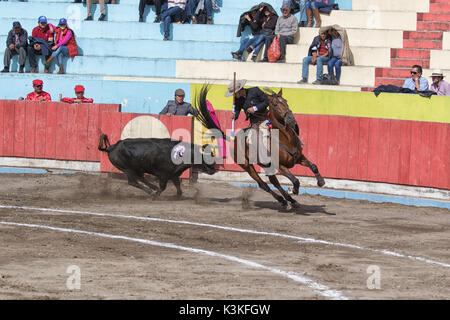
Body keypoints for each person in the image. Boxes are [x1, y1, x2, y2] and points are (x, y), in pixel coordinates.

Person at [226, 79, 271, 165]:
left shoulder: (255, 91)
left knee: (265, 138)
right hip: (254, 123)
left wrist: (255, 108)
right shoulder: (238, 100)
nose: (234, 96)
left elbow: (266, 101)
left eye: (235, 93)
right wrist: (234, 115)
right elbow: (237, 111)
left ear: (240, 91)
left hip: (265, 119)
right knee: (250, 140)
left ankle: (268, 158)